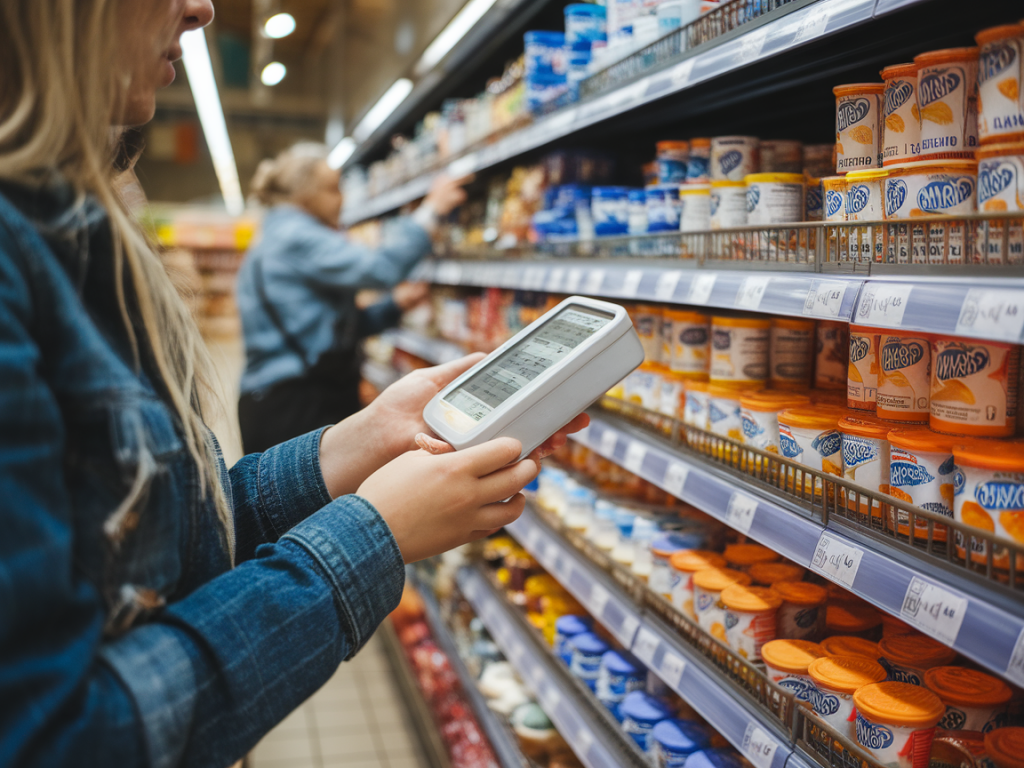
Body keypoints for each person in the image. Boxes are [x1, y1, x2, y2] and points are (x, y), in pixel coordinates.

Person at [0, 2, 587, 766]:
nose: (201, 7)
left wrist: (359, 442)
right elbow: (55, 740)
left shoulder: (64, 228)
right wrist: (372, 532)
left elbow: (157, 544)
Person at [236, 143, 467, 452]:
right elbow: (380, 268)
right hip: (293, 405)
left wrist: (394, 306)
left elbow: (330, 329)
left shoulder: (279, 232)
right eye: (332, 189)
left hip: (290, 396)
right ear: (306, 194)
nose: (342, 198)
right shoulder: (295, 235)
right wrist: (431, 211)